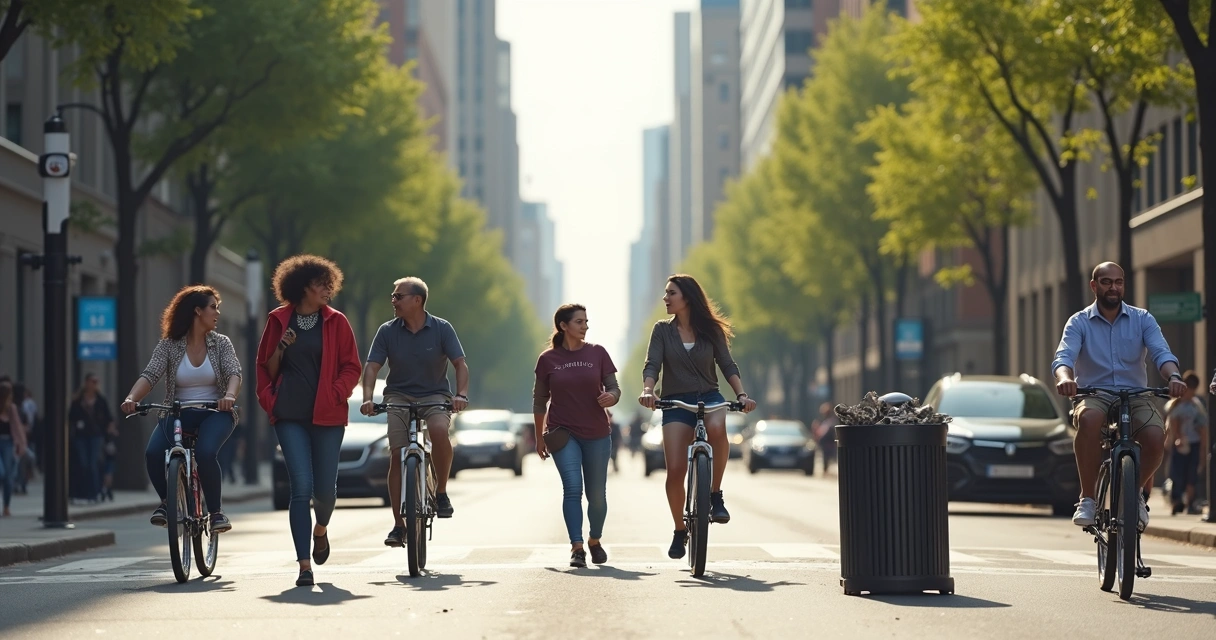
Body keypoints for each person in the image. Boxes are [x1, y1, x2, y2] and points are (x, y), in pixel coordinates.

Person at [1052, 262, 1186, 530]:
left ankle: (1134, 495)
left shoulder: (1142, 319)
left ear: (1124, 285)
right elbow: (1064, 357)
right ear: (1094, 286)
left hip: (1136, 395)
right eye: (1106, 282)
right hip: (1094, 393)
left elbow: (1161, 353)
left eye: (1118, 282)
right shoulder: (1079, 322)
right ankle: (1088, 498)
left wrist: (1173, 376)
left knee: (1155, 436)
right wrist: (1065, 379)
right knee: (1089, 419)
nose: (1113, 287)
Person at [258, 255, 362, 587]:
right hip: (289, 416)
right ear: (304, 287)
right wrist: (272, 394)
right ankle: (304, 565)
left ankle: (321, 529)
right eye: (321, 285)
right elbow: (266, 368)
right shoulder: (277, 320)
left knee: (325, 493)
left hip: (328, 416)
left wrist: (336, 392)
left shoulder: (337, 321)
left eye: (330, 285)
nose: (328, 290)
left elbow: (352, 366)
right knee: (301, 489)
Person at [638, 274, 757, 559]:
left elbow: (727, 364)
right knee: (675, 471)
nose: (666, 298)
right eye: (666, 293)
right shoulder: (662, 330)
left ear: (687, 297)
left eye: (671, 293)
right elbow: (652, 364)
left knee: (717, 427)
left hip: (709, 396)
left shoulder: (711, 330)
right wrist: (648, 390)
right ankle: (680, 530)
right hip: (675, 401)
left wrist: (741, 395)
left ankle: (715, 494)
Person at [121, 286, 242, 532]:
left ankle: (216, 513)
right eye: (213, 307)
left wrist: (229, 396)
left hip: (215, 412)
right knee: (154, 453)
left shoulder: (221, 343)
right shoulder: (169, 345)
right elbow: (150, 375)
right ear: (197, 311)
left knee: (206, 453)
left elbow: (234, 373)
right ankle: (167, 503)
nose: (217, 313)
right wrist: (132, 397)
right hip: (177, 412)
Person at [360, 277, 469, 548]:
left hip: (434, 395)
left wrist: (461, 394)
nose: (393, 301)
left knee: (439, 430)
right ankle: (399, 525)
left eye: (399, 296)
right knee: (397, 454)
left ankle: (441, 492)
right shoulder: (387, 331)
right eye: (393, 296)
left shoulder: (442, 328)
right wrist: (367, 399)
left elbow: (460, 363)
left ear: (417, 300)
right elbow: (372, 366)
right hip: (398, 396)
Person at [533, 304, 620, 567]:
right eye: (579, 322)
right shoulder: (547, 359)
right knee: (572, 489)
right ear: (564, 326)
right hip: (563, 432)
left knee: (597, 495)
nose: (585, 326)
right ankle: (577, 547)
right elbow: (539, 401)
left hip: (597, 433)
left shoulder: (597, 352)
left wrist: (611, 397)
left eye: (586, 321)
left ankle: (594, 539)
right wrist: (539, 437)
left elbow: (614, 388)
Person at [1165, 370, 1208, 515]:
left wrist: (1202, 449)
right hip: (1180, 444)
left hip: (1193, 443)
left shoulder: (1196, 406)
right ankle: (1177, 501)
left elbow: (1202, 428)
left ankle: (1190, 503)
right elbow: (1173, 424)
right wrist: (1176, 438)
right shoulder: (1177, 405)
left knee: (1191, 475)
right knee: (1178, 474)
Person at [69, 373, 115, 503]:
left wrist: (109, 433)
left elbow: (108, 418)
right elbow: (71, 417)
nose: (93, 384)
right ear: (86, 383)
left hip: (96, 436)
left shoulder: (100, 400)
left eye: (96, 382)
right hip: (81, 436)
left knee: (93, 464)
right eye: (91, 381)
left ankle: (94, 493)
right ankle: (83, 493)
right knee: (83, 463)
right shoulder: (78, 400)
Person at [0, 381, 28, 516]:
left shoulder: (12, 409)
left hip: (8, 443)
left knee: (8, 477)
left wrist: (22, 445)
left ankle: (6, 506)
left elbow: (18, 427)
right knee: (1, 472)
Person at [812, 402, 838, 474]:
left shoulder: (831, 421)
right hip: (825, 443)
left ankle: (827, 470)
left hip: (829, 443)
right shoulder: (824, 421)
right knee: (826, 458)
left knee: (830, 458)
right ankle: (826, 470)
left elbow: (828, 433)